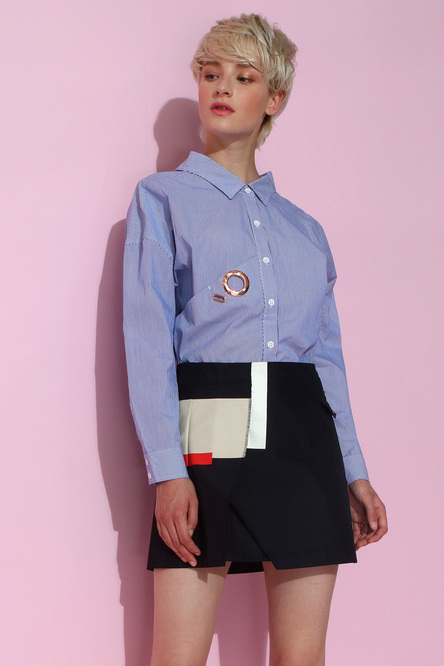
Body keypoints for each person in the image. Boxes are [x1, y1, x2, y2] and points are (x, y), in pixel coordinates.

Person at [123, 13, 388, 666]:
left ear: (274, 98)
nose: (222, 87)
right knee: (177, 656)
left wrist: (353, 471)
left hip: (303, 439)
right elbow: (148, 340)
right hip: (208, 432)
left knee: (302, 656)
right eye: (210, 73)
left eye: (243, 77)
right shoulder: (162, 199)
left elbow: (327, 360)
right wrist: (168, 471)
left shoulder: (305, 230)